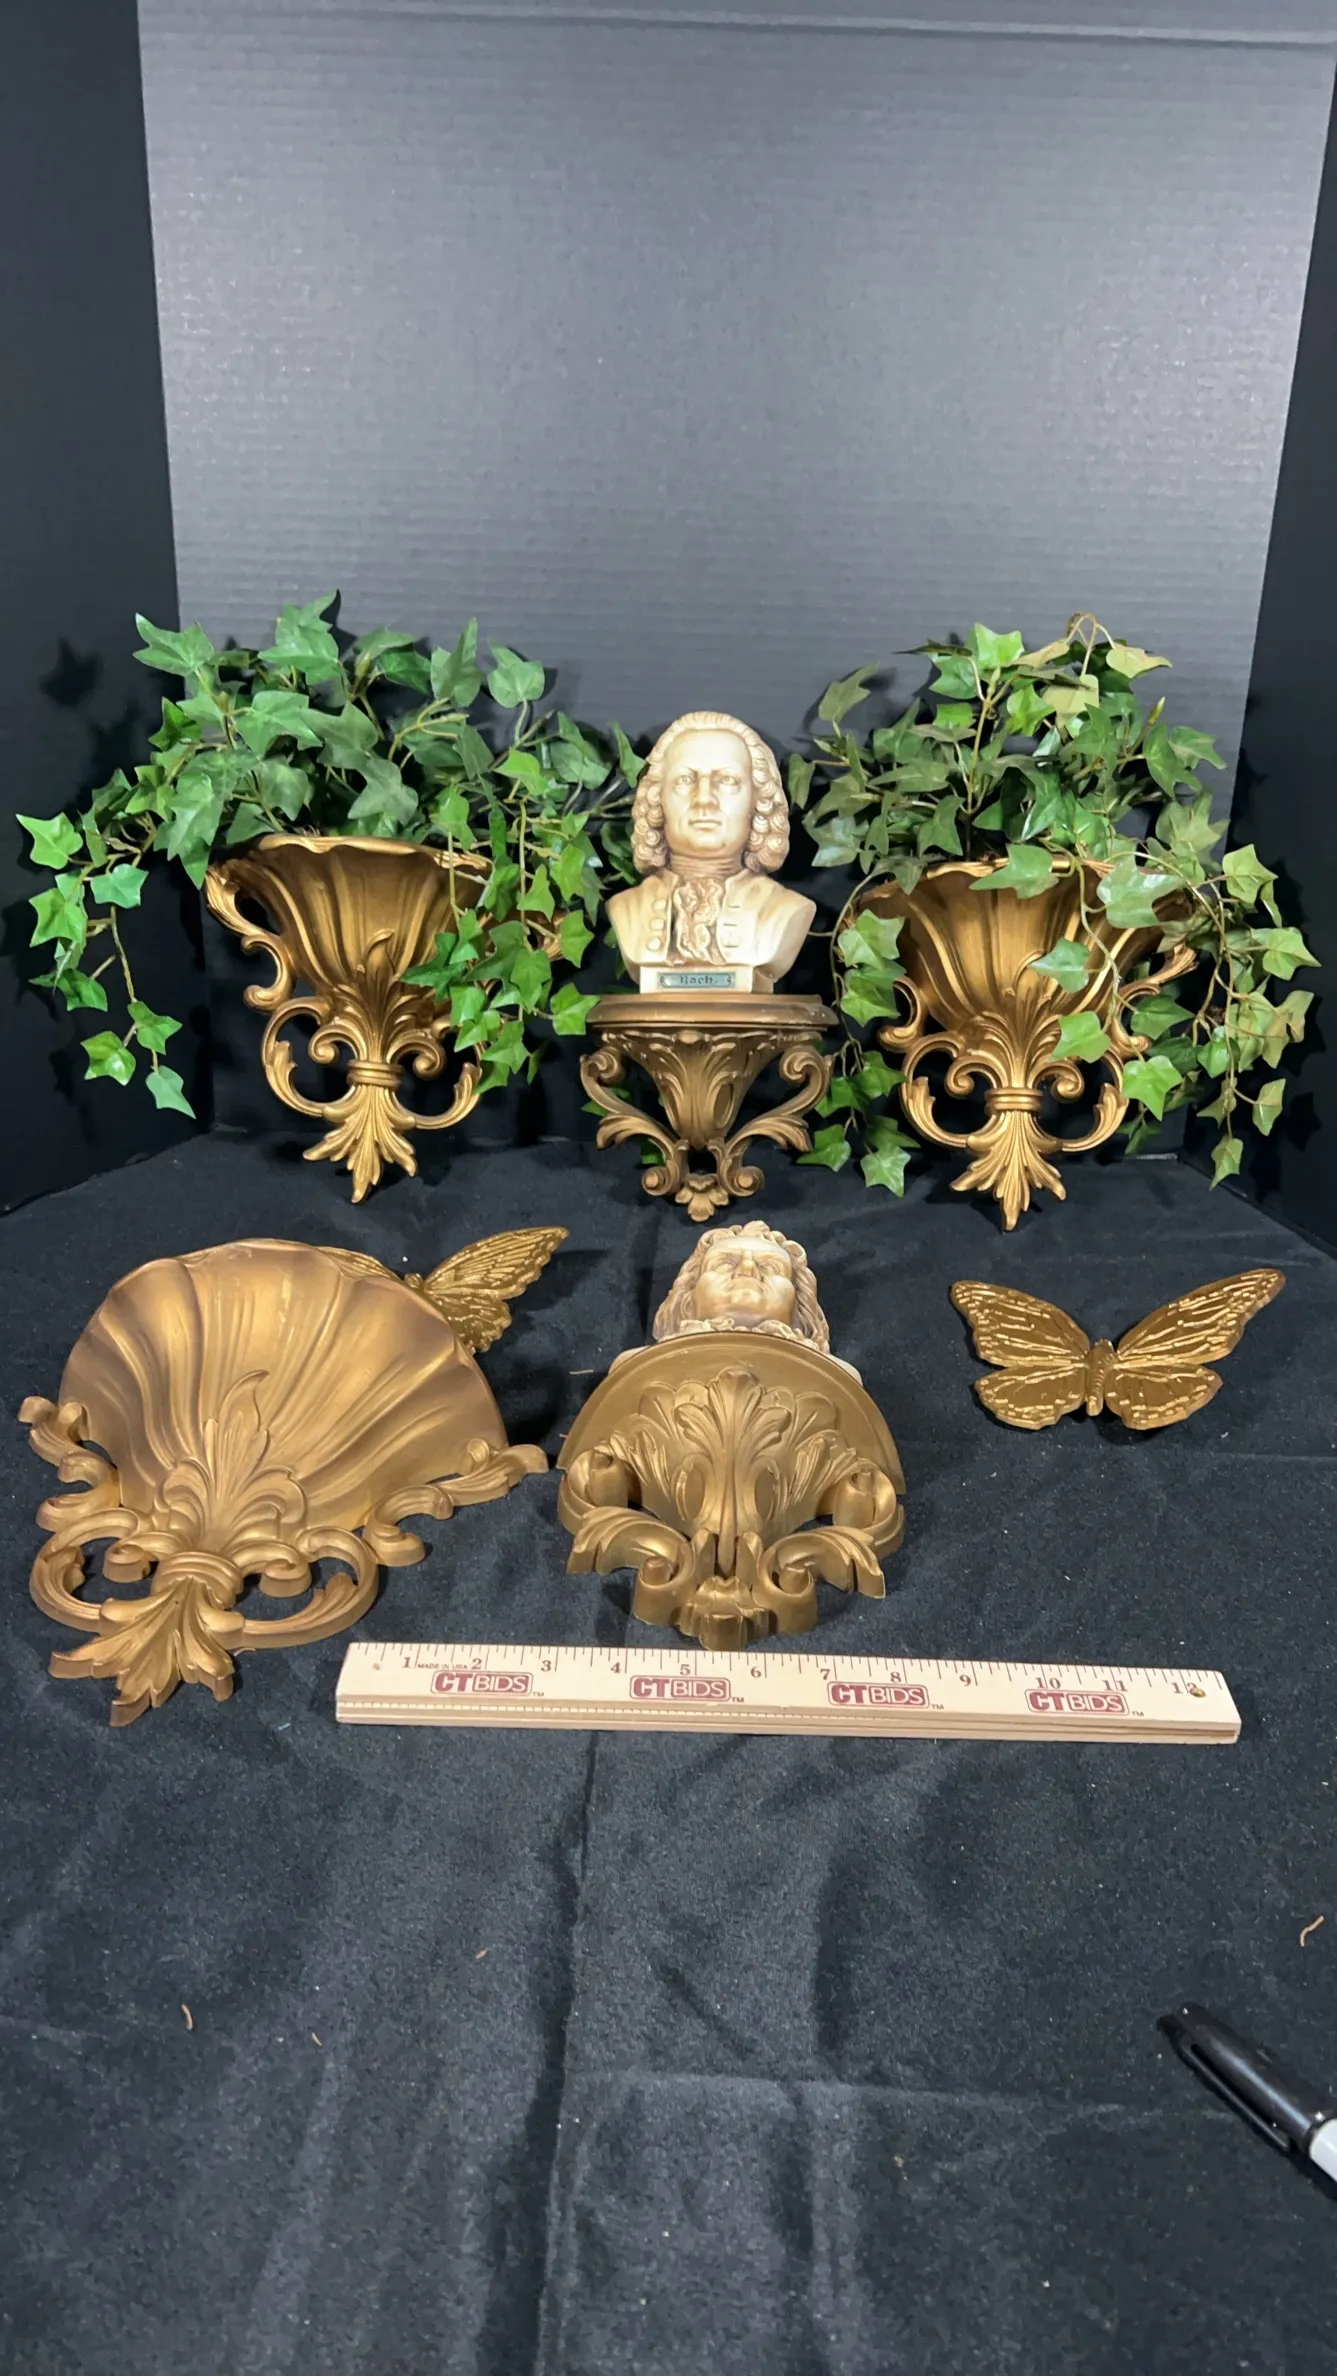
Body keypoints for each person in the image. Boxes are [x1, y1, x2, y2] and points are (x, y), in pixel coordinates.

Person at [607, 711, 815, 988]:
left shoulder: (785, 910)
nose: (704, 799)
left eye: (727, 780)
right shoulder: (627, 909)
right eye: (685, 780)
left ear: (758, 801)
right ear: (658, 799)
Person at [651, 1220, 830, 1351]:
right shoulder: (640, 1369)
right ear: (686, 1302)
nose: (747, 1268)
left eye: (770, 1266)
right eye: (724, 1264)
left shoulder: (835, 1377)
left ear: (799, 1309)